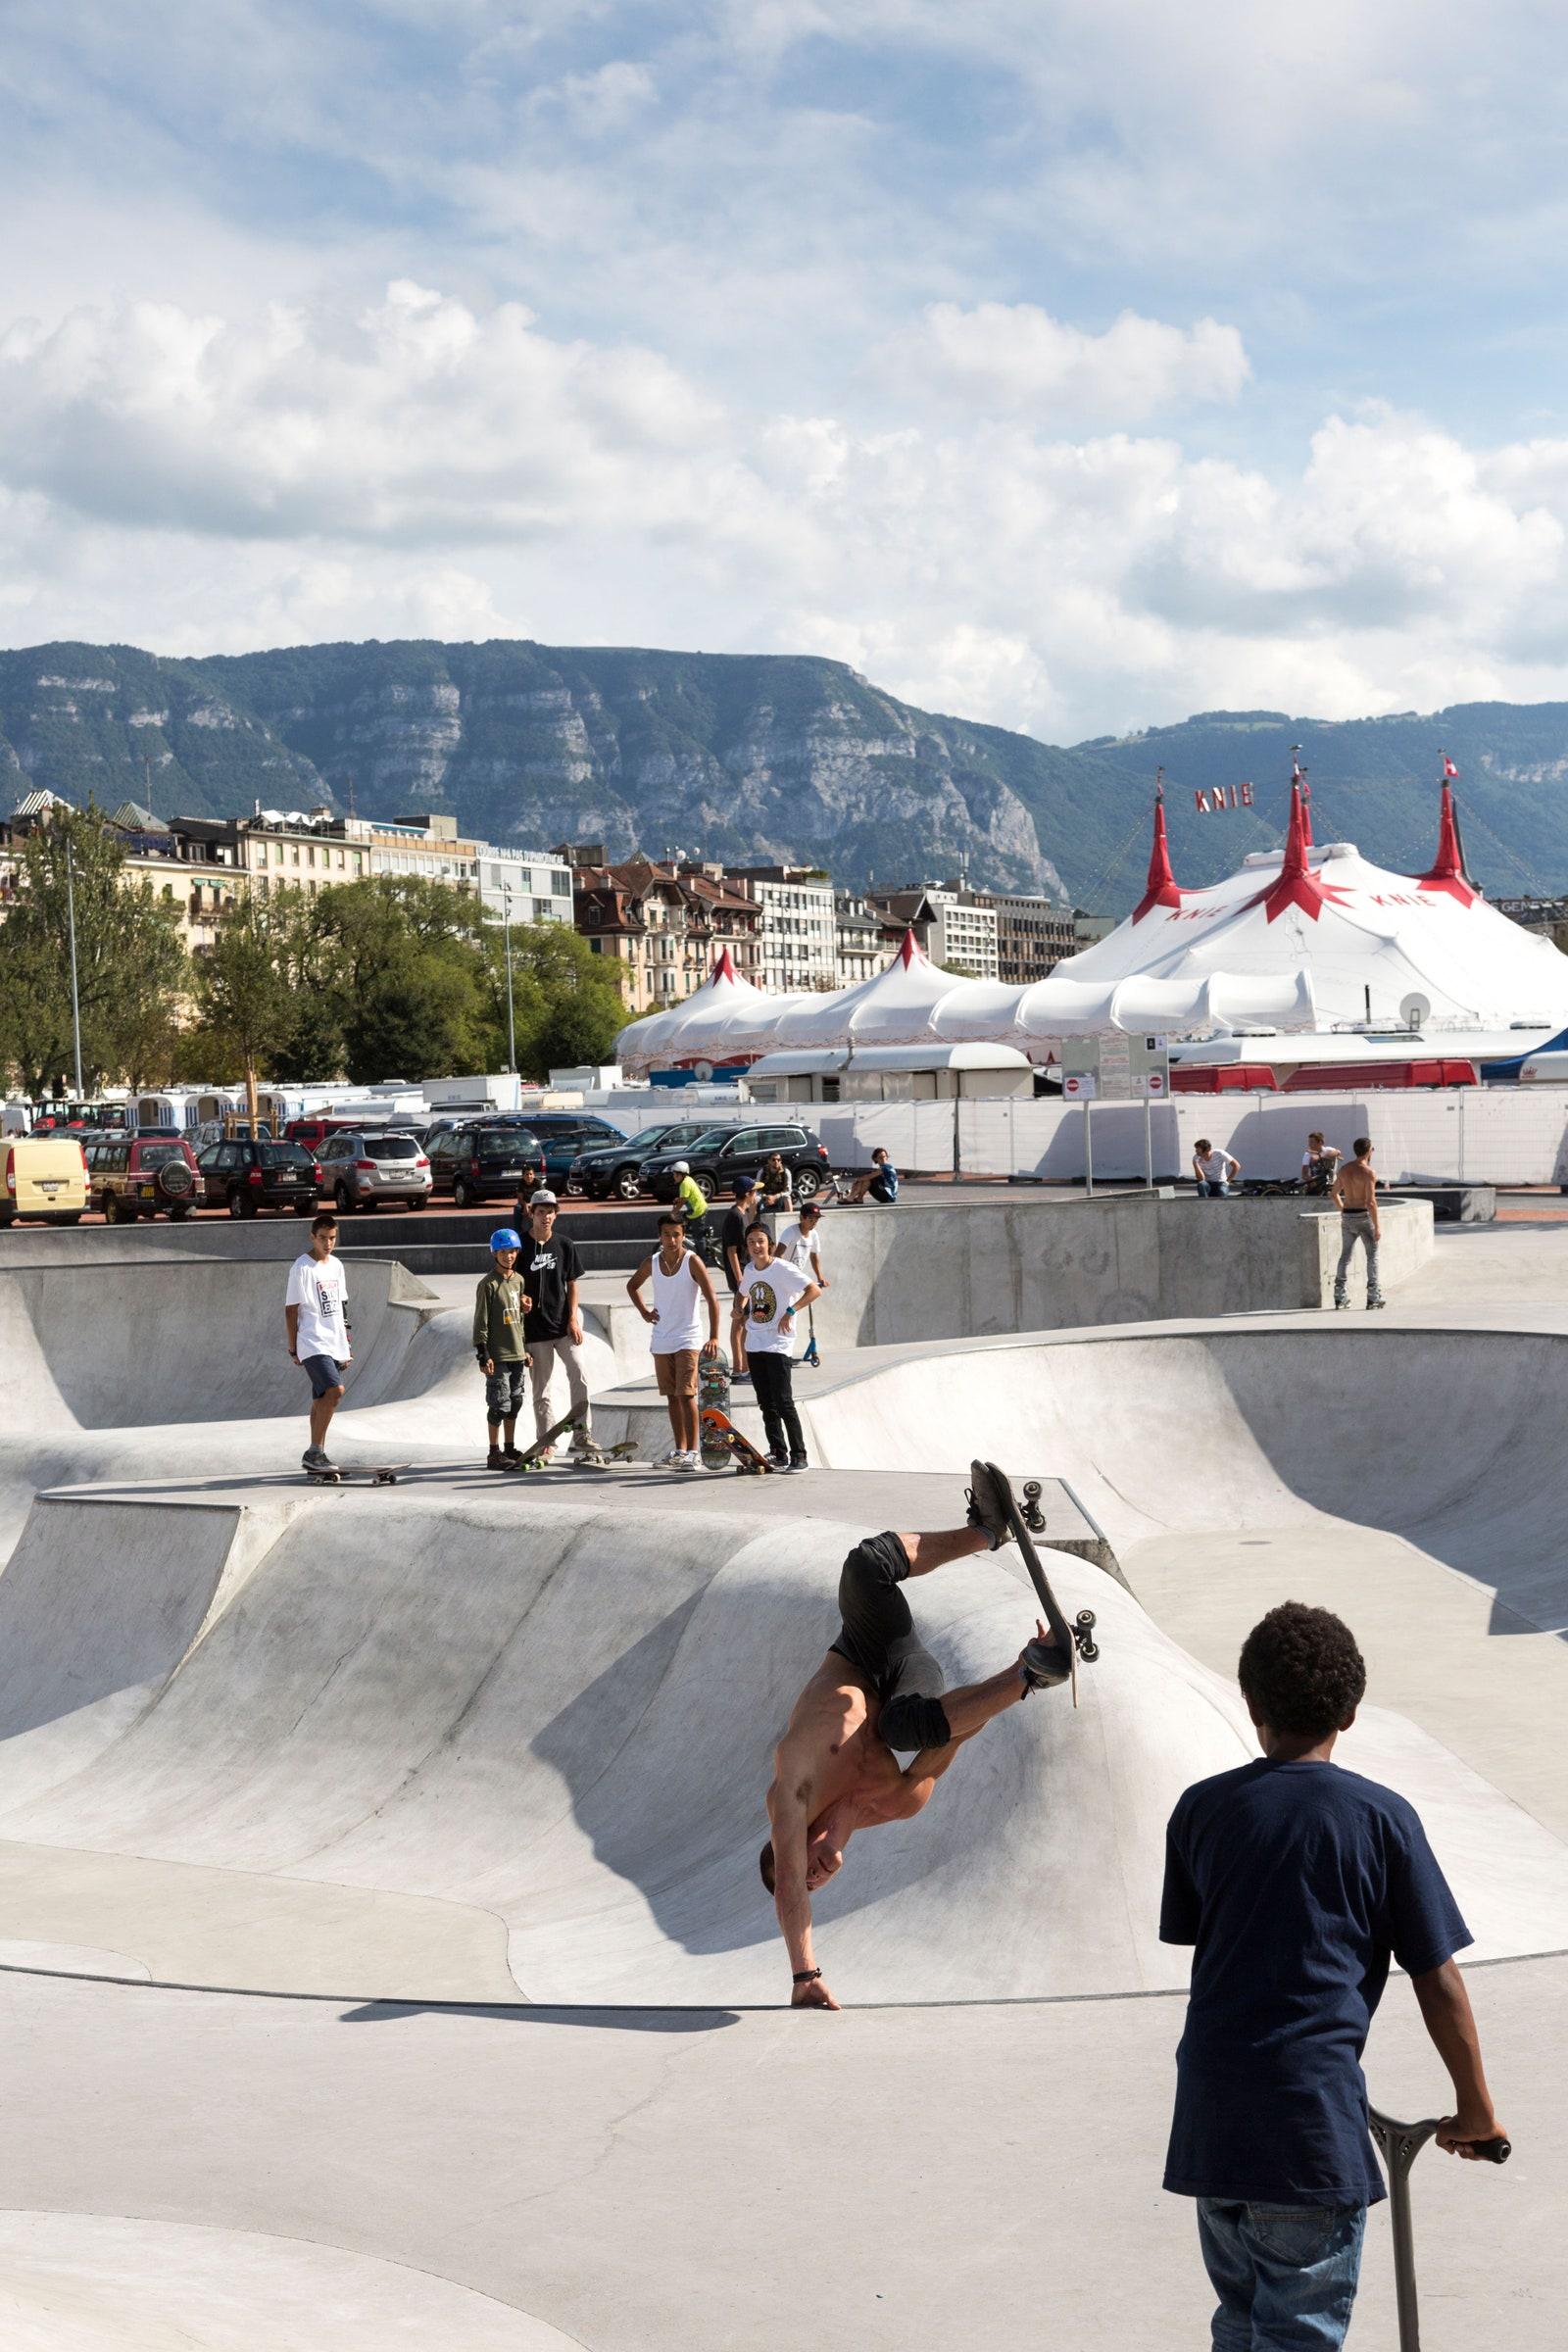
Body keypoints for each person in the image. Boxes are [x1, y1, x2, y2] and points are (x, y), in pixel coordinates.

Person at [1160, 1600, 1504, 2352]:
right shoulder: (1380, 1819)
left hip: (1212, 2124)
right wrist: (1476, 2110)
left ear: (1250, 1704)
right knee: (1296, 2335)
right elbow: (1437, 1976)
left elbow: (1220, 1950)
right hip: (1305, 2129)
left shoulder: (1200, 1812)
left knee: (1241, 2326)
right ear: (1350, 1712)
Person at [761, 1461, 1070, 2008]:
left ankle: (986, 1532)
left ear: (794, 1840)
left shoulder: (794, 1790)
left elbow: (787, 1886)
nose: (815, 1875)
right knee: (904, 1727)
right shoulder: (894, 1804)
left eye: (803, 1868)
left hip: (860, 1651)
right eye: (818, 1884)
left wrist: (803, 1974)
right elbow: (955, 1737)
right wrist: (1019, 1679)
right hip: (907, 1673)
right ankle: (1035, 1669)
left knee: (863, 1566)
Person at [627, 1208, 722, 1471]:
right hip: (661, 1338)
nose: (671, 1240)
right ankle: (680, 1450)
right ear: (660, 1236)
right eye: (667, 1235)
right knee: (671, 1396)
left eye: (676, 1235)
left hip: (688, 1338)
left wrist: (714, 1336)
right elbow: (632, 1286)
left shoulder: (692, 1261)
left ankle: (694, 1452)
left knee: (686, 1395)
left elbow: (712, 1299)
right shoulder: (653, 1262)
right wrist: (645, 1312)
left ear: (683, 1236)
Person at [734, 1221, 821, 1469]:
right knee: (765, 1402)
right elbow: (742, 1292)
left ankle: (799, 1455)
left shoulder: (782, 1269)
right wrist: (738, 1309)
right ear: (746, 1246)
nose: (756, 1246)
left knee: (783, 1401)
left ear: (770, 1244)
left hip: (778, 1342)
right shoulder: (749, 1270)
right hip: (754, 1342)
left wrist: (791, 1310)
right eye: (751, 1242)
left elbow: (814, 1290)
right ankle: (778, 1451)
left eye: (760, 1241)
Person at [521, 1191, 591, 1458]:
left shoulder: (564, 1244)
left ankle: (583, 1433)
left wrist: (572, 1318)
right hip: (535, 1331)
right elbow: (511, 1283)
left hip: (563, 1327)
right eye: (541, 1212)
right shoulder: (522, 1247)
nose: (546, 1217)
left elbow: (572, 1284)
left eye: (550, 1212)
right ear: (531, 1213)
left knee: (580, 1373)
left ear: (556, 1214)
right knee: (542, 1390)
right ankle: (547, 1441)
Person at [285, 1212, 352, 1473]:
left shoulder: (336, 1265)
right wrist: (293, 1348)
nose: (328, 1243)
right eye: (323, 1238)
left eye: (332, 1238)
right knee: (335, 1391)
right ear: (312, 1237)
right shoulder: (301, 1268)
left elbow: (342, 1307)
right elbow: (291, 1310)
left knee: (321, 1398)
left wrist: (346, 1345)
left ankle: (317, 1455)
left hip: (334, 1341)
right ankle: (314, 1452)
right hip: (312, 1342)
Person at [472, 1227, 532, 1469]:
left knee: (515, 1402)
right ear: (494, 1253)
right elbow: (481, 1321)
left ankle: (509, 1447)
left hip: (517, 1351)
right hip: (498, 1355)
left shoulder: (519, 1281)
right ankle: (493, 1453)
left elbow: (520, 1319)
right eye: (503, 1252)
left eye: (512, 1252)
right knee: (499, 1404)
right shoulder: (488, 1284)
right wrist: (482, 1353)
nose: (509, 1256)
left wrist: (525, 1348)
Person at [1331, 1136, 1384, 1308]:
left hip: (1348, 1216)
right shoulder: (1369, 1172)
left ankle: (1339, 1296)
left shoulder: (1345, 1170)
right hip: (1363, 1216)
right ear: (1369, 1151)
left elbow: (1333, 1193)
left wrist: (1343, 1210)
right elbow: (1371, 1202)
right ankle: (1373, 1297)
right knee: (1372, 1256)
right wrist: (1377, 1227)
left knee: (1345, 1256)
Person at [719, 1173, 760, 1380]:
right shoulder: (734, 1216)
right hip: (740, 1276)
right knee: (739, 1322)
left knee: (744, 1322)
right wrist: (740, 1279)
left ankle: (743, 1367)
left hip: (745, 1274)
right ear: (747, 1193)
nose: (757, 1195)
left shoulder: (742, 1213)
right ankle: (738, 1369)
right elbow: (731, 1251)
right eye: (754, 1192)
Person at [776, 1197, 828, 1288]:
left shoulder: (814, 1234)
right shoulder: (791, 1232)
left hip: (795, 1277)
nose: (814, 1222)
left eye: (816, 1220)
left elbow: (814, 1256)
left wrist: (820, 1277)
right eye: (811, 1219)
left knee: (812, 1292)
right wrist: (787, 1273)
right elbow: (778, 1254)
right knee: (813, 1291)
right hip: (783, 1277)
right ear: (801, 1218)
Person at [1300, 1130, 1342, 1196]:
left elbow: (1338, 1152)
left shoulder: (1328, 1150)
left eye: (1312, 1142)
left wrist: (1320, 1157)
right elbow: (1304, 1174)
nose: (1309, 1144)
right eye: (1309, 1142)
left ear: (1320, 1142)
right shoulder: (1307, 1155)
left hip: (1330, 1184)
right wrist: (1311, 1181)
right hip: (1316, 1185)